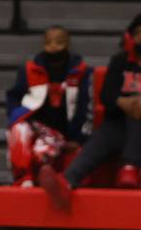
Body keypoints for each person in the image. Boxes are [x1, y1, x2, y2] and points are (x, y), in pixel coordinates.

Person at [42, 15, 141, 209]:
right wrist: (123, 102)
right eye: (138, 34)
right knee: (104, 135)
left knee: (137, 115)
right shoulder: (120, 61)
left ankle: (130, 166)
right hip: (119, 125)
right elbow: (107, 95)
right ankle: (67, 182)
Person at [6, 26, 91, 188]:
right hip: (36, 125)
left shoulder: (80, 72)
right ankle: (24, 179)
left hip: (62, 132)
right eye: (48, 42)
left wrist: (77, 138)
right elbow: (14, 96)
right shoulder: (30, 69)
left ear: (68, 44)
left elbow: (85, 106)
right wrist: (17, 115)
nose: (53, 46)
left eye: (58, 42)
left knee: (41, 151)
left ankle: (45, 177)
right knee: (18, 130)